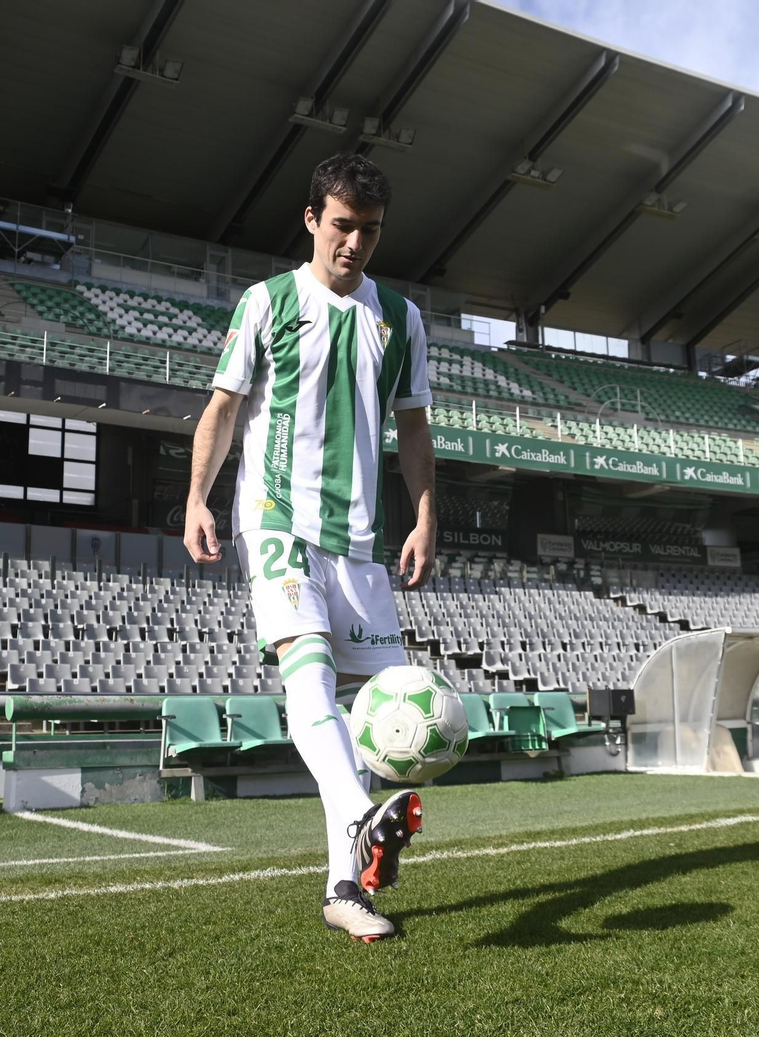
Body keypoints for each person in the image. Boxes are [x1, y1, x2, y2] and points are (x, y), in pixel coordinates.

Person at [184, 153, 436, 942]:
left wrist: (425, 515)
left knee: (366, 721)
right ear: (311, 220)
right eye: (342, 225)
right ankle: (361, 816)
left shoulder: (401, 317)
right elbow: (223, 409)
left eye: (371, 230)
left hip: (360, 540)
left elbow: (414, 427)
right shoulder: (267, 302)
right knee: (308, 671)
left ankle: (344, 887)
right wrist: (195, 497)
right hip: (276, 516)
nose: (354, 243)